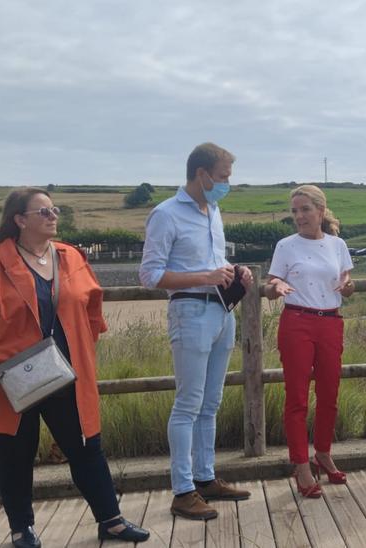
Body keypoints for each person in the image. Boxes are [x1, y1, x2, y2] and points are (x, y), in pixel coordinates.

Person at [0, 188, 149, 547]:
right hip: (13, 377)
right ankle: (22, 529)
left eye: (53, 209)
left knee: (87, 446)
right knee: (15, 453)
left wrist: (84, 350)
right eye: (43, 212)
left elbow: (91, 306)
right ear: (19, 220)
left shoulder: (70, 256)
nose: (52, 215)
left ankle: (111, 520)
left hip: (65, 373)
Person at [139, 143, 253, 520]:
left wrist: (234, 270)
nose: (226, 184)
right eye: (222, 177)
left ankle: (205, 479)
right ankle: (183, 490)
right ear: (202, 174)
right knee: (188, 403)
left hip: (221, 311)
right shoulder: (165, 215)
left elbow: (213, 262)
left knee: (211, 402)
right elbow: (150, 275)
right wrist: (206, 276)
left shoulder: (213, 210)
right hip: (189, 311)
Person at [262, 185, 354, 498]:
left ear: (320, 210)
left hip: (331, 322)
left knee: (330, 393)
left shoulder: (337, 244)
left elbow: (346, 284)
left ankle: (323, 453)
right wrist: (275, 288)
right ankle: (301, 464)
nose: (299, 216)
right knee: (297, 398)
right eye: (295, 211)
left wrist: (348, 286)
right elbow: (272, 282)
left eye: (305, 210)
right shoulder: (286, 246)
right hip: (297, 322)